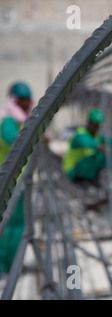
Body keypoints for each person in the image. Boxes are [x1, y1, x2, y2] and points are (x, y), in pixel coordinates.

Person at [0, 81, 35, 272]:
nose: (26, 103)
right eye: (22, 100)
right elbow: (12, 138)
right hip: (8, 179)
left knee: (16, 223)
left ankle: (10, 264)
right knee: (11, 223)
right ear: (14, 100)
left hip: (15, 178)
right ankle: (4, 266)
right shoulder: (8, 121)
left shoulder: (18, 121)